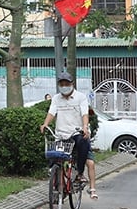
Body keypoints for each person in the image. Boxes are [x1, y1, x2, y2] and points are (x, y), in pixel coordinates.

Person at [40, 72, 98, 200]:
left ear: (72, 84)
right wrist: (45, 124)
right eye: (62, 84)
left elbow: (84, 114)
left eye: (67, 84)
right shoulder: (56, 98)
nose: (64, 86)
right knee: (55, 158)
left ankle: (80, 174)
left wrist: (84, 127)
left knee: (82, 143)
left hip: (76, 132)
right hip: (61, 134)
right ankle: (56, 184)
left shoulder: (80, 97)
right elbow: (51, 112)